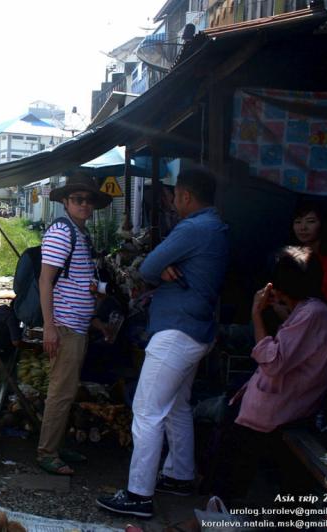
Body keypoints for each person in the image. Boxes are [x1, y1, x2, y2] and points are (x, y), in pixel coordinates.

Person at [97, 167, 229, 518]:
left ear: (185, 196)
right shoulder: (215, 228)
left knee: (146, 410)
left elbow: (149, 266)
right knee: (176, 406)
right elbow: (159, 266)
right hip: (196, 331)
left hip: (176, 331)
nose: (172, 202)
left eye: (174, 196)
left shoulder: (193, 227)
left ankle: (139, 494)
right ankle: (180, 475)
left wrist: (163, 266)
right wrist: (167, 266)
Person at [207, 246, 327, 501]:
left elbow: (272, 362)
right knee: (228, 448)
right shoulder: (309, 310)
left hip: (275, 412)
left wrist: (256, 314)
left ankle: (207, 519)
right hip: (276, 406)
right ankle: (211, 514)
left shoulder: (312, 313)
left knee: (231, 464)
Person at [37, 173, 111, 475]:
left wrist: (95, 321)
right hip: (65, 326)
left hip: (77, 325)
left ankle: (56, 445)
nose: (84, 204)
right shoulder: (62, 232)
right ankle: (47, 453)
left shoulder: (80, 234)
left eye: (88, 199)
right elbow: (45, 281)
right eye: (78, 199)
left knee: (67, 391)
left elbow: (76, 283)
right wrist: (50, 326)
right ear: (66, 202)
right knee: (61, 391)